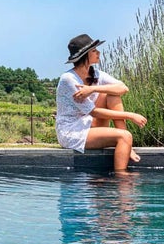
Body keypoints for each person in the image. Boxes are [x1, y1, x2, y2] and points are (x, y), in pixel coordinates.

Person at [56, 34, 147, 172]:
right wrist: (130, 115)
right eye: (94, 50)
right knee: (125, 136)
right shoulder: (68, 79)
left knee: (112, 94)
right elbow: (94, 111)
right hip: (72, 131)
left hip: (88, 124)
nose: (98, 52)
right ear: (85, 55)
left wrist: (93, 88)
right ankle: (122, 179)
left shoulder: (96, 74)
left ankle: (126, 145)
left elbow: (123, 88)